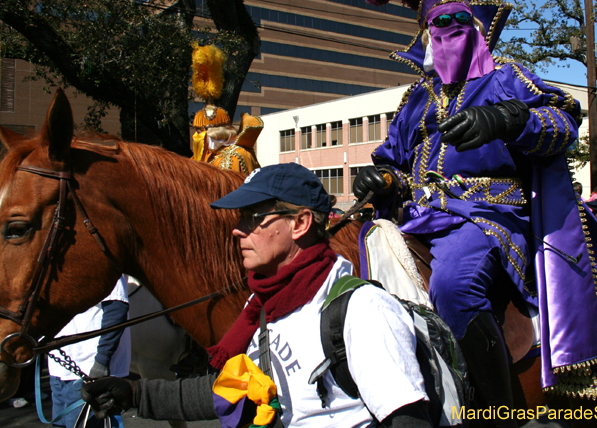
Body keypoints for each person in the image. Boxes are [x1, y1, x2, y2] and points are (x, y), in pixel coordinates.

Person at [351, 0, 597, 413]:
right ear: (424, 34)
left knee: (453, 286)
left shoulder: (507, 77)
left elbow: (563, 119)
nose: (449, 28)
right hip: (419, 216)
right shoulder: (416, 98)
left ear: (477, 26)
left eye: (459, 20)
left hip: (491, 216)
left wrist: (506, 119)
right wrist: (381, 179)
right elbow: (392, 160)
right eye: (438, 23)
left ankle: (496, 411)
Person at [81, 163, 432, 428]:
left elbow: (407, 418)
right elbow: (231, 391)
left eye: (253, 218)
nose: (237, 229)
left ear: (300, 223)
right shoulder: (264, 305)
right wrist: (136, 394)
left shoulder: (361, 309)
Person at [49, 276, 130, 428]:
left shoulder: (102, 260)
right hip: (59, 371)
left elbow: (116, 309)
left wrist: (101, 362)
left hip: (87, 370)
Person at [190, 42, 263, 174]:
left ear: (213, 132)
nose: (196, 136)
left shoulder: (235, 156)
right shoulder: (199, 158)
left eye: (199, 131)